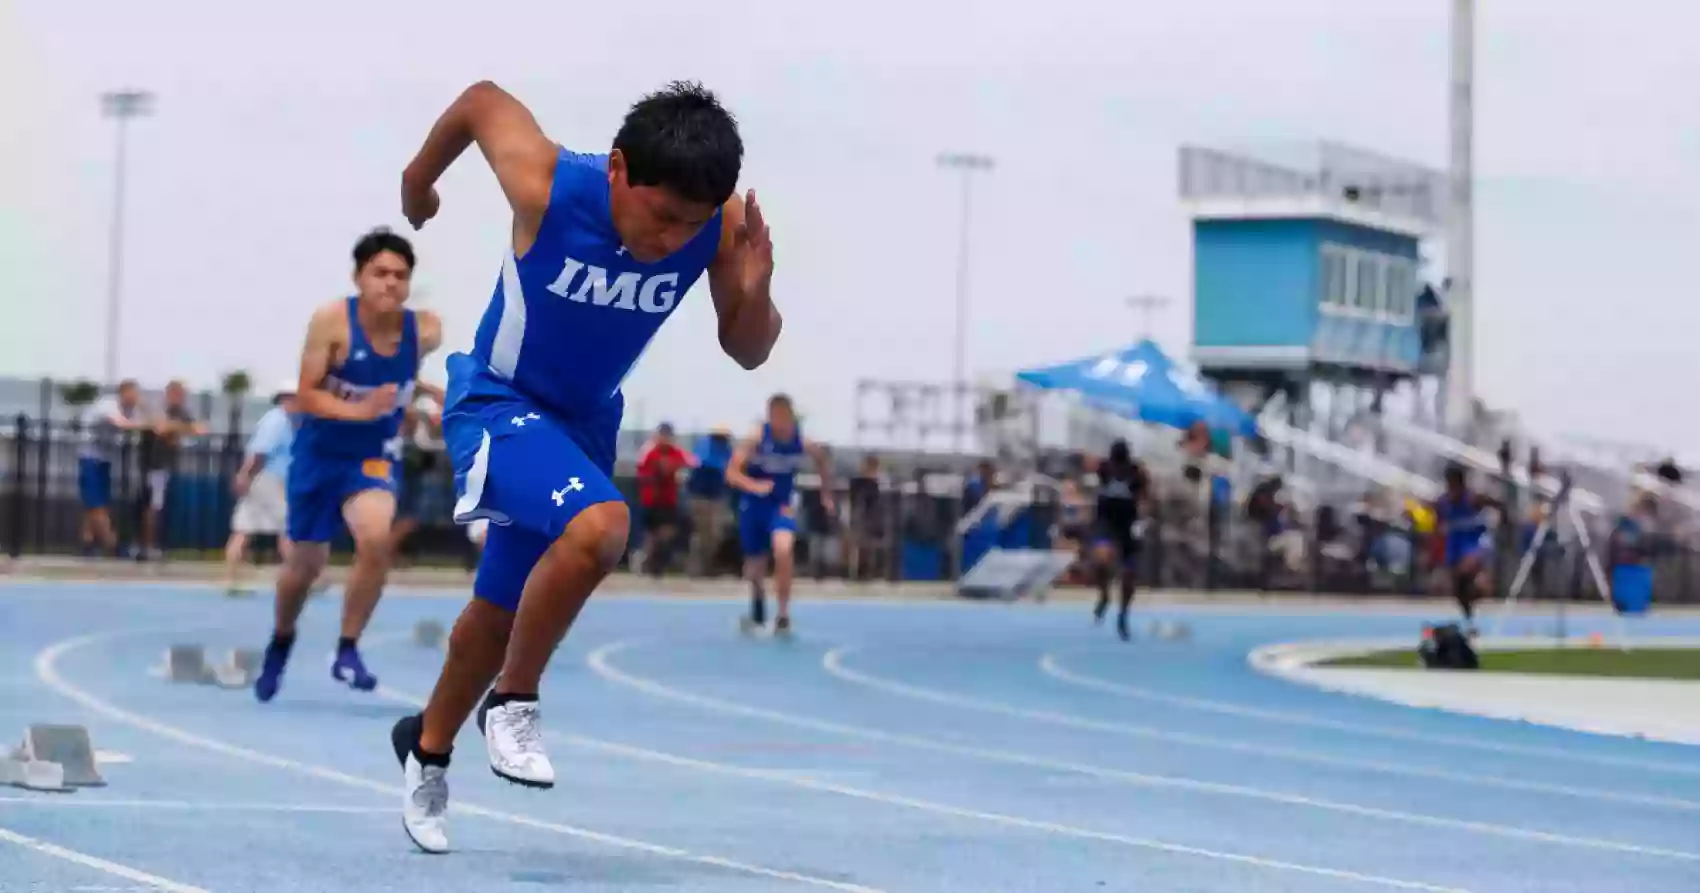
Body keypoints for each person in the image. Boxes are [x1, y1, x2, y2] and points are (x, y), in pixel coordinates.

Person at [388, 80, 780, 855]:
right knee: (603, 526)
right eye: (660, 216)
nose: (671, 240)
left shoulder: (717, 220)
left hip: (581, 425)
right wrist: (417, 181)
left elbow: (746, 348)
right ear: (618, 170)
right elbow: (479, 100)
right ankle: (514, 701)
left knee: (499, 610)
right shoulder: (547, 181)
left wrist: (754, 287)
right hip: (498, 401)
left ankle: (426, 748)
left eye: (689, 226)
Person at [253, 229, 443, 704]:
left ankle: (348, 648)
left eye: (400, 275)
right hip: (318, 457)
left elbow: (400, 377)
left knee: (376, 537)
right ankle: (281, 638)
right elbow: (307, 392)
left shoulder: (426, 330)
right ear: (359, 277)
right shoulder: (332, 322)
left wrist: (430, 395)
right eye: (379, 273)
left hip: (372, 456)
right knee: (304, 568)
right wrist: (361, 409)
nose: (390, 283)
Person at [726, 393, 833, 637]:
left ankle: (783, 614)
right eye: (776, 416)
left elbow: (822, 461)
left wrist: (826, 494)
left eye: (786, 415)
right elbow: (731, 473)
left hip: (781, 505)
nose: (782, 421)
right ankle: (758, 605)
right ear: (770, 416)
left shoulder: (803, 442)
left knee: (784, 550)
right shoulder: (756, 439)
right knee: (755, 567)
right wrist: (755, 486)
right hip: (754, 505)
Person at [223, 381, 299, 595]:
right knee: (286, 527)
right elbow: (259, 452)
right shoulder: (277, 421)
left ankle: (230, 580)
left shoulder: (284, 420)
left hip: (264, 479)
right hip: (268, 479)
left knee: (244, 529)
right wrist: (245, 475)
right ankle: (299, 578)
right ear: (285, 399)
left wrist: (245, 477)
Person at [136, 380, 208, 560]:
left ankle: (158, 544)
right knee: (153, 505)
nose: (181, 399)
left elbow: (200, 429)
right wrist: (176, 428)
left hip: (168, 466)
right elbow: (160, 427)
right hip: (154, 465)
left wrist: (176, 428)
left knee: (161, 506)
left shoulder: (181, 413)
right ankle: (147, 546)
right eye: (177, 394)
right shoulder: (159, 409)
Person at [1089, 439, 1150, 641]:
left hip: (1127, 524)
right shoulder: (1104, 469)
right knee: (1101, 559)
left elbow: (1145, 498)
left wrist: (1142, 522)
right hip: (1106, 522)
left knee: (1129, 573)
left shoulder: (1137, 474)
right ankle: (1104, 595)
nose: (1118, 469)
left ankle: (1123, 613)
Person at [76, 379, 145, 557]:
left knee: (97, 504)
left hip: (105, 460)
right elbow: (121, 424)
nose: (136, 398)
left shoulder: (132, 410)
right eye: (133, 394)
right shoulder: (108, 405)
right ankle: (114, 545)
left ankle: (87, 543)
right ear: (123, 393)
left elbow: (135, 429)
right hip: (90, 458)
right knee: (96, 504)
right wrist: (149, 425)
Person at [1432, 463, 1500, 631]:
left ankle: (1484, 583)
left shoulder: (1473, 499)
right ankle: (1470, 617)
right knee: (1457, 589)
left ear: (1460, 483)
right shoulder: (1443, 502)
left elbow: (1496, 503)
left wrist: (1503, 517)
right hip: (1455, 544)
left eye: (1453, 482)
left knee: (1467, 570)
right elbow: (1438, 522)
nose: (1450, 486)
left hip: (1474, 542)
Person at [635, 422, 695, 576]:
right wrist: (658, 474)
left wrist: (679, 471)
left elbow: (691, 462)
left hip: (668, 500)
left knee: (667, 533)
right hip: (651, 500)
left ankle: (656, 564)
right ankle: (645, 563)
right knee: (651, 535)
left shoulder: (675, 452)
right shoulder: (649, 451)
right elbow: (642, 474)